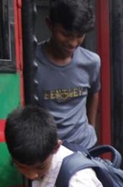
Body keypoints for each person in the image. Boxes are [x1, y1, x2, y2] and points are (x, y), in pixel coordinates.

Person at [36, 0, 100, 151]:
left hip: (84, 146)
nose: (73, 43)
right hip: (47, 149)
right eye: (66, 34)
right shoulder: (31, 62)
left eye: (79, 36)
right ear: (49, 24)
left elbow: (94, 93)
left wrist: (91, 128)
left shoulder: (91, 62)